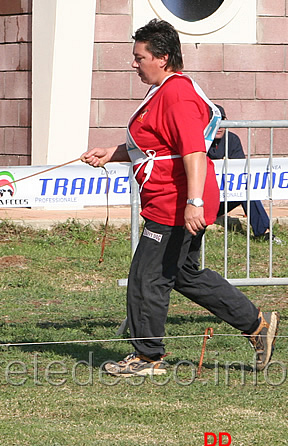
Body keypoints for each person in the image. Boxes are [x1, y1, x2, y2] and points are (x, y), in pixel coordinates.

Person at [82, 19, 279, 377]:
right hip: (171, 200)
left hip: (177, 203)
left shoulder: (177, 93)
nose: (133, 63)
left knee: (147, 277)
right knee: (185, 275)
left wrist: (195, 203)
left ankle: (147, 357)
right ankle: (257, 324)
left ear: (163, 57)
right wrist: (111, 153)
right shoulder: (162, 90)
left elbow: (192, 152)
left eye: (139, 56)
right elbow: (157, 147)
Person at [209, 104, 280, 243]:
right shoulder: (199, 140)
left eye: (223, 120)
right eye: (215, 121)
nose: (220, 125)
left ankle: (264, 233)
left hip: (226, 194)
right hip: (203, 199)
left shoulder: (232, 139)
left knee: (247, 191)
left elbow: (239, 171)